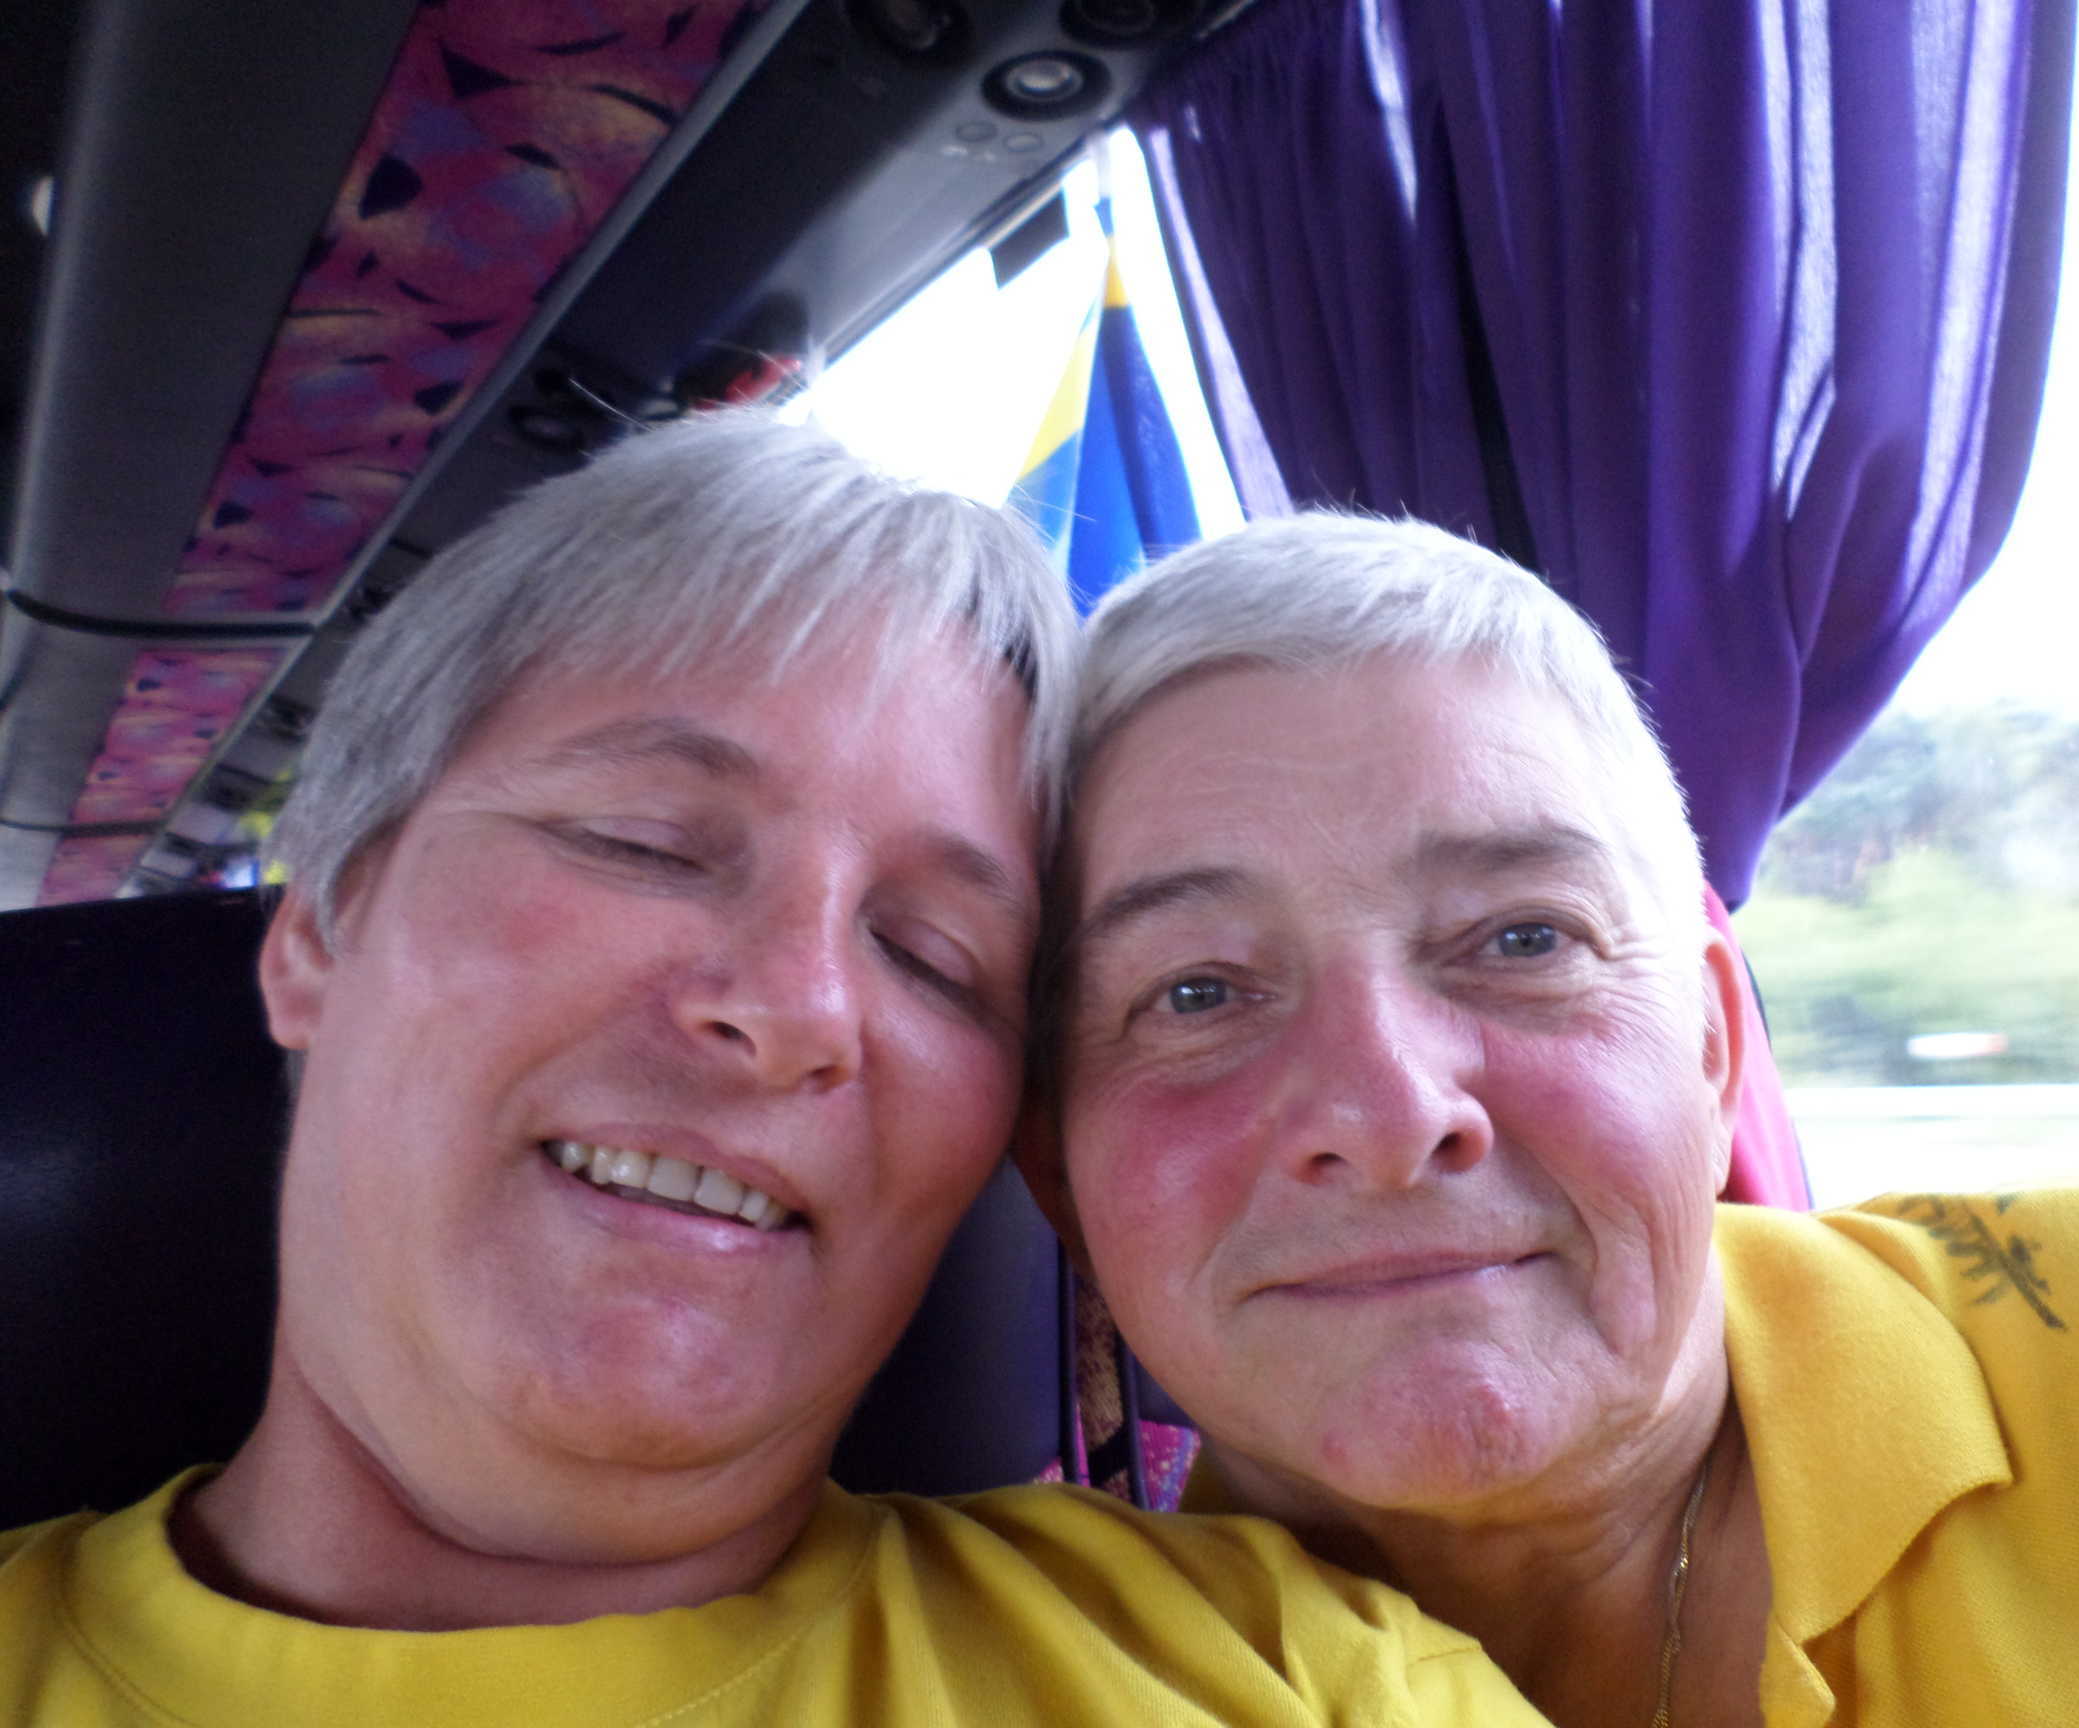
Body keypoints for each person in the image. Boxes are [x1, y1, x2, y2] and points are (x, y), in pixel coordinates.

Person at [0, 419, 1538, 1727]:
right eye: (645, 845)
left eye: (934, 957)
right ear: (321, 927)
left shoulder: (1292, 1675)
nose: (801, 1007)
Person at [1023, 511, 2079, 1727]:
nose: (1392, 1115)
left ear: (1711, 1041)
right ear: (1054, 1174)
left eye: (1525, 939)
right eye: (1196, 994)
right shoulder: (1013, 1673)